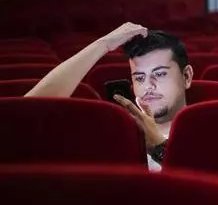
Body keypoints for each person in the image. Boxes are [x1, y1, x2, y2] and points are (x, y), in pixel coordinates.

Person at [27, 24, 192, 171]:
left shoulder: (202, 131)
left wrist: (158, 147)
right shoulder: (111, 131)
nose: (148, 85)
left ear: (186, 77)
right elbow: (25, 117)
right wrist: (103, 44)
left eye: (160, 74)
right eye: (140, 78)